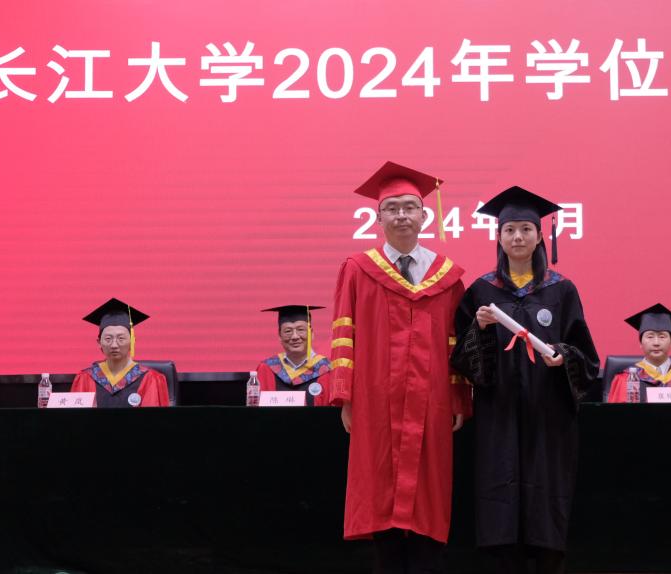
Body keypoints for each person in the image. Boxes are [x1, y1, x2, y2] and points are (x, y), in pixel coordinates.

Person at [329, 161, 471, 574]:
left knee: (429, 491)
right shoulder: (358, 270)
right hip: (375, 400)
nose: (402, 215)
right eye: (392, 208)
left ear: (425, 216)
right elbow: (343, 334)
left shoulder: (447, 277)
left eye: (410, 207)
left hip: (432, 401)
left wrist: (458, 397)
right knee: (381, 492)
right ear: (377, 218)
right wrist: (344, 396)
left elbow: (457, 344)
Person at [451, 186, 599, 574]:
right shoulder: (482, 291)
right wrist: (481, 330)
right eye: (510, 230)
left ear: (539, 236)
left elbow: (586, 358)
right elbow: (464, 361)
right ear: (498, 237)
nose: (517, 237)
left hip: (547, 415)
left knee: (545, 502)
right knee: (499, 501)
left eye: (525, 229)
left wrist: (563, 356)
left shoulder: (561, 290)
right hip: (498, 414)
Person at [70, 298, 170, 408]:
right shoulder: (85, 378)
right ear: (99, 343)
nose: (114, 345)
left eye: (121, 338)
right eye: (108, 339)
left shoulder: (150, 379)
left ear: (132, 341)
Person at [605, 303, 671, 403]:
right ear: (640, 343)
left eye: (662, 337)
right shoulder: (626, 380)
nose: (656, 343)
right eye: (650, 337)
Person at [255, 304, 332, 406]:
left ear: (312, 333)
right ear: (280, 336)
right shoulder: (267, 369)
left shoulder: (326, 369)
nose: (295, 336)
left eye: (301, 330)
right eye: (288, 331)